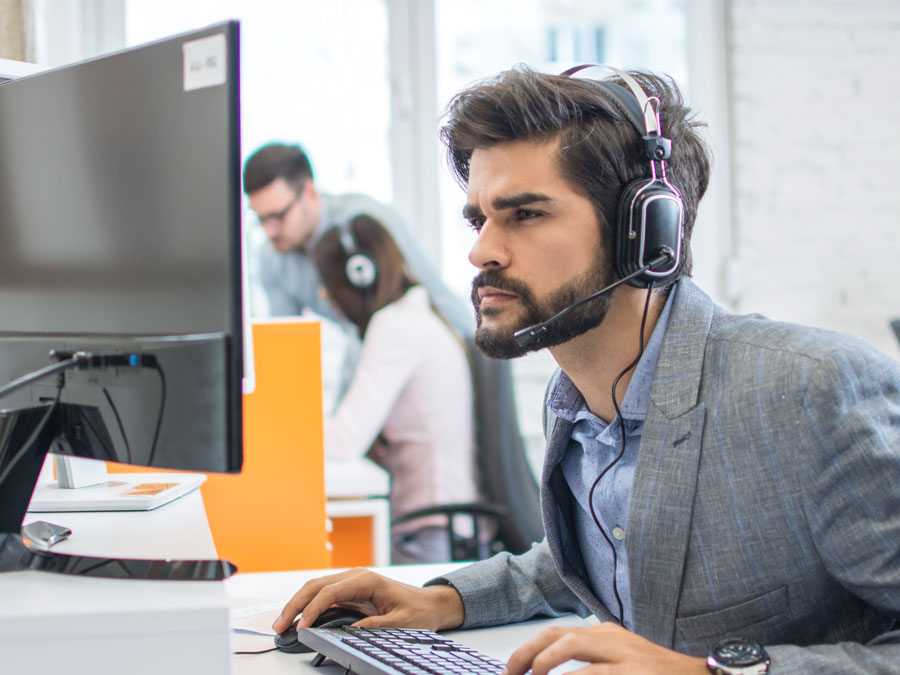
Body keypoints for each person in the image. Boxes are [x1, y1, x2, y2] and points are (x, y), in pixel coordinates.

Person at [271, 65, 900, 674]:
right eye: (479, 218)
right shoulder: (573, 400)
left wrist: (713, 673)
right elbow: (607, 555)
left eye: (526, 213)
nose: (480, 250)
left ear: (646, 232)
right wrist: (445, 601)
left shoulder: (814, 391)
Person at [312, 213, 481, 564]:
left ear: (359, 275)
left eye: (327, 282)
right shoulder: (414, 318)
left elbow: (344, 441)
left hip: (430, 535)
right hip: (437, 527)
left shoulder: (396, 326)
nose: (323, 293)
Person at [242, 143, 470, 331]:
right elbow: (286, 346)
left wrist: (484, 368)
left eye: (278, 216)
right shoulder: (272, 257)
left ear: (309, 192)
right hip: (369, 359)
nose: (268, 231)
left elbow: (431, 294)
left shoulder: (364, 224)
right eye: (260, 219)